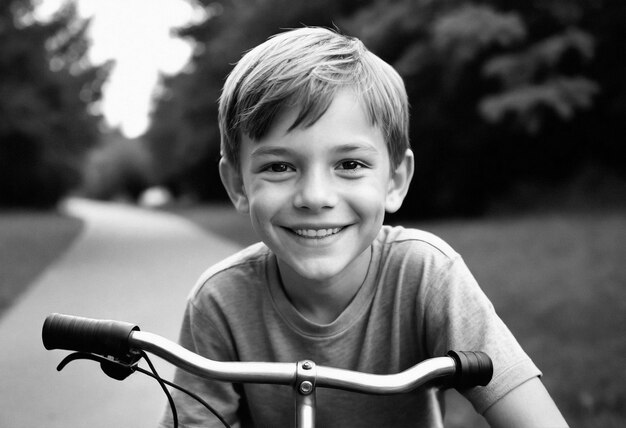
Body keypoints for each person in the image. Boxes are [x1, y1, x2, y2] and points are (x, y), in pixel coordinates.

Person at [158, 27, 568, 427]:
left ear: (395, 181)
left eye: (349, 164)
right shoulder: (220, 302)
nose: (315, 197)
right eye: (279, 167)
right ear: (237, 185)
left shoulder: (426, 275)